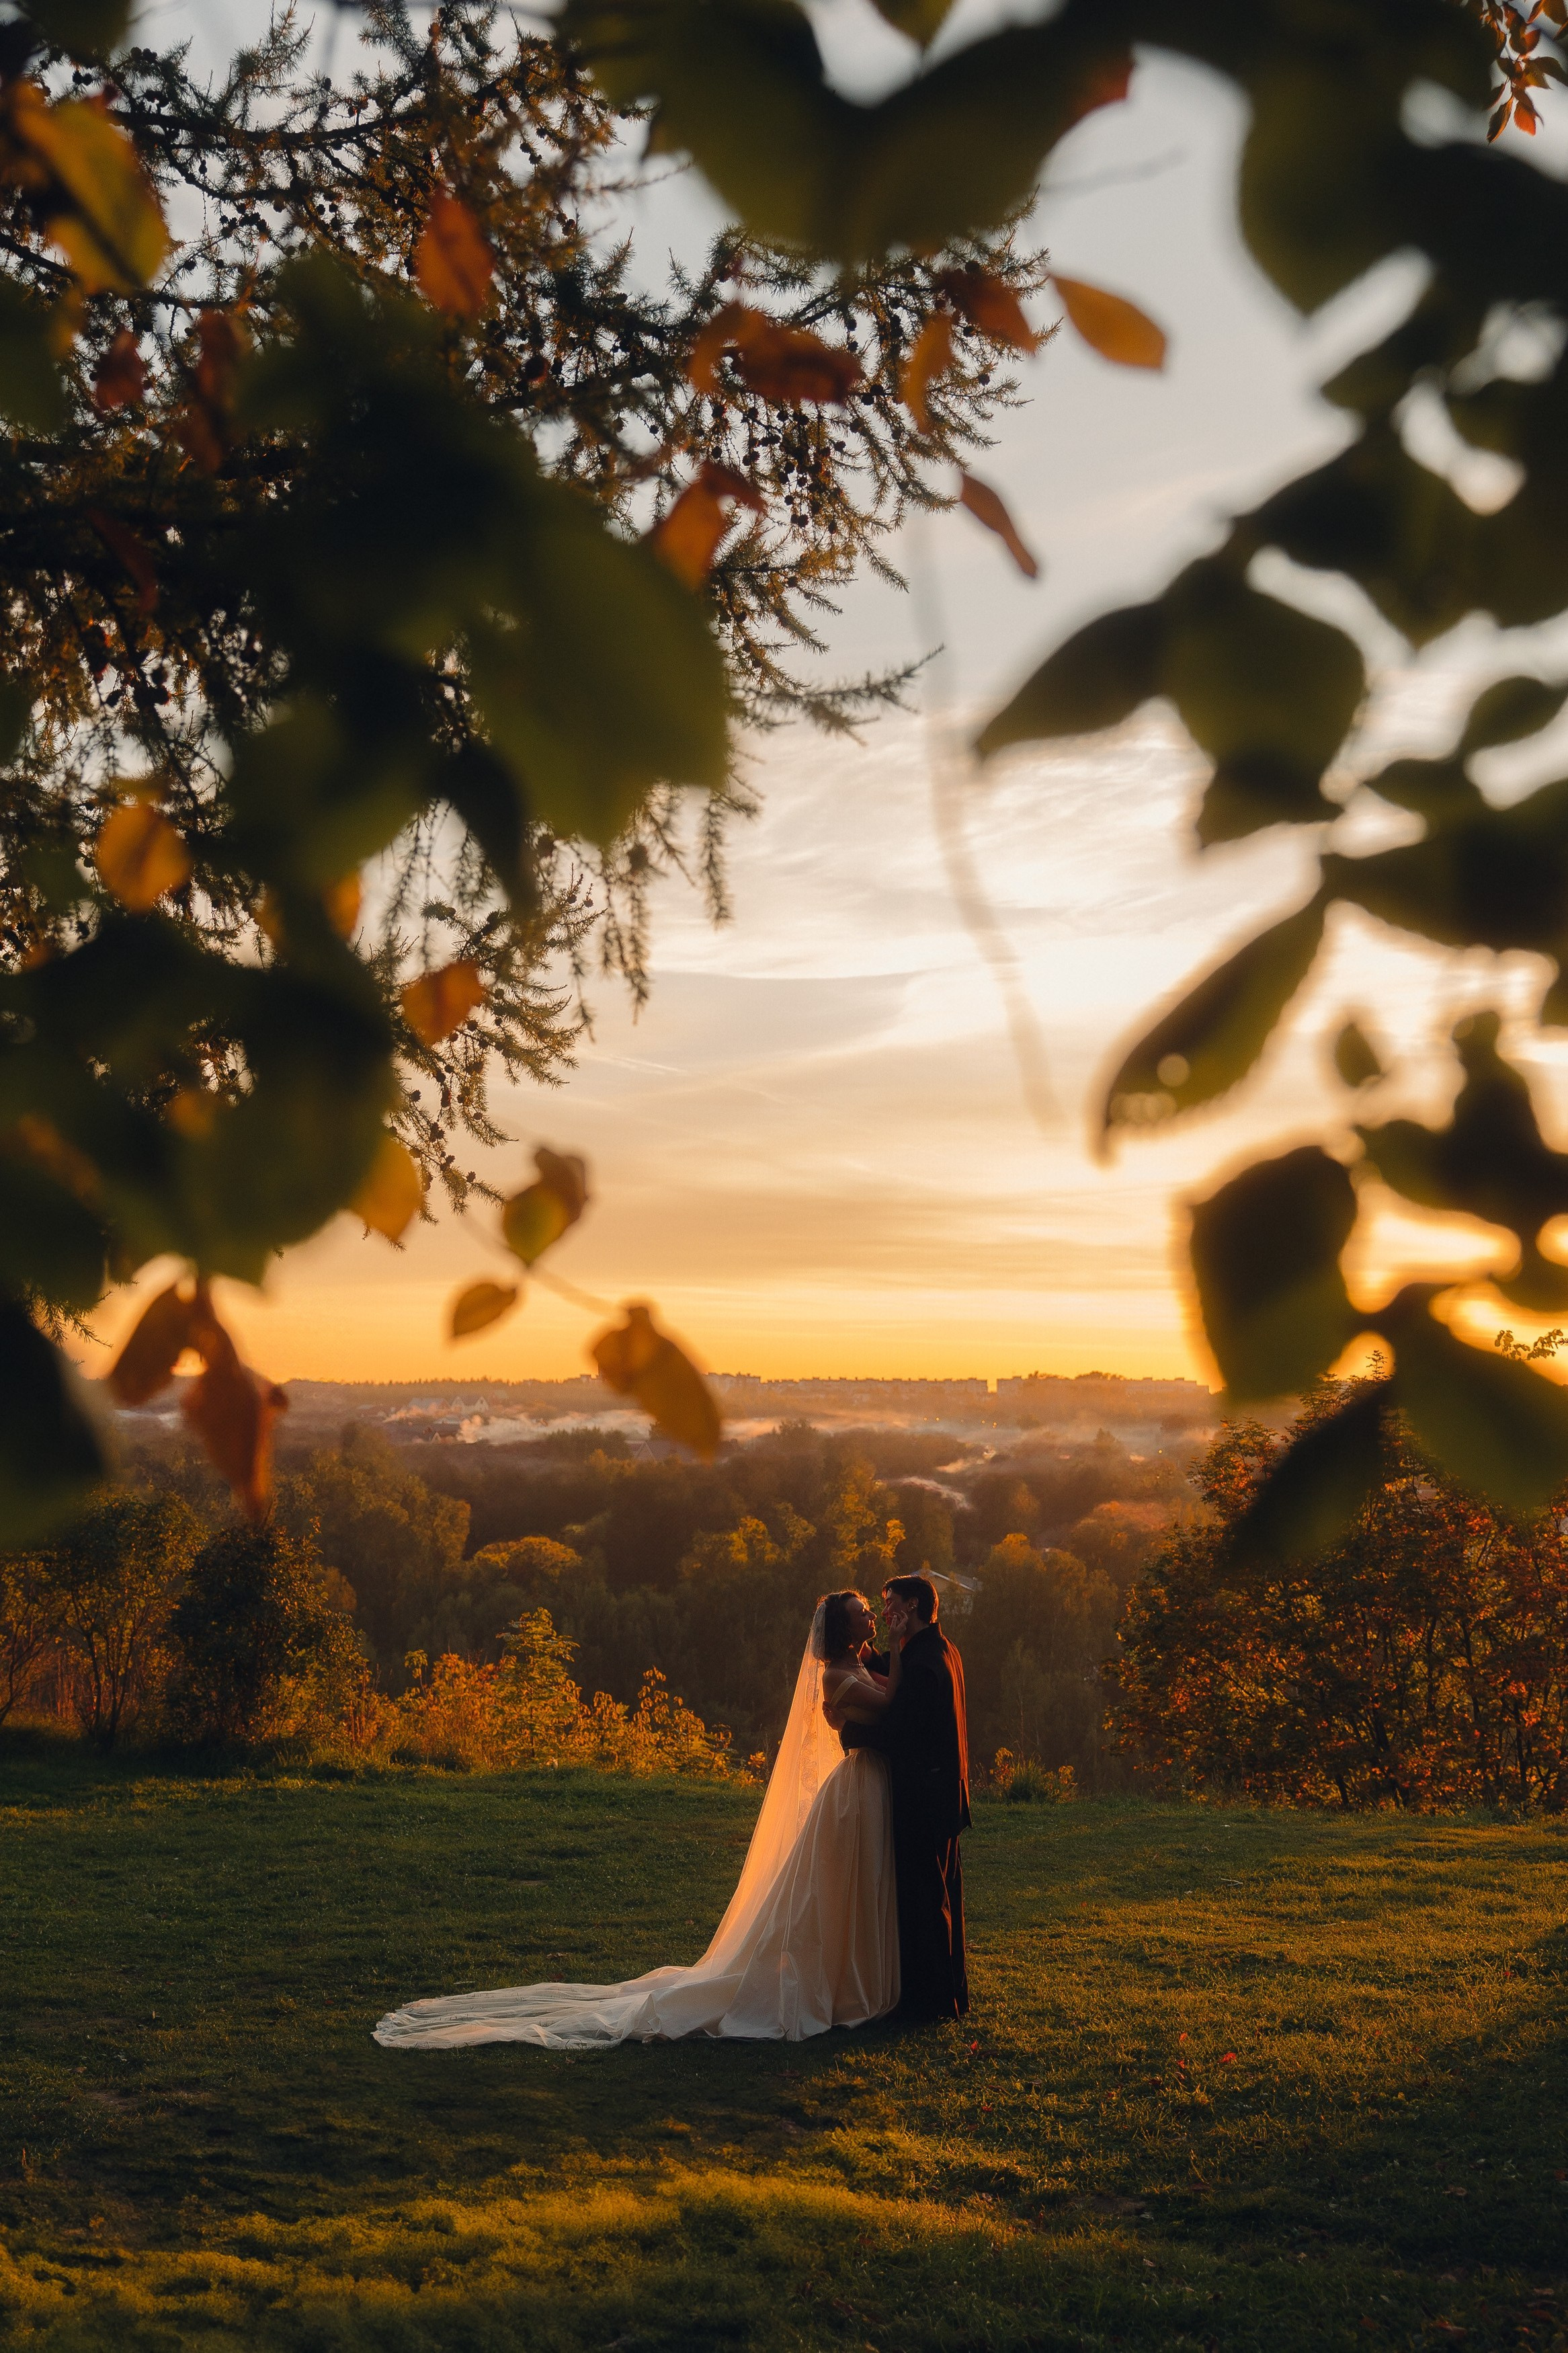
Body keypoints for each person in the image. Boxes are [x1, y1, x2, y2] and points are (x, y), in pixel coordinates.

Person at [373, 1590, 900, 2049]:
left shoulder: (854, 1663)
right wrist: (904, 1646)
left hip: (864, 1781)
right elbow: (891, 1701)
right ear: (841, 1627)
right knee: (830, 1886)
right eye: (862, 1614)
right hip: (852, 1788)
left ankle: (852, 1974)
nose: (871, 1618)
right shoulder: (836, 1674)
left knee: (847, 1884)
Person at [828, 1572, 969, 2023]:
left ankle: (930, 2006)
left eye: (889, 1605)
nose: (883, 1611)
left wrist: (851, 1730)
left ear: (910, 1607)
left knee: (926, 1902)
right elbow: (890, 1667)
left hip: (925, 1798)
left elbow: (902, 1732)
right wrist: (865, 1651)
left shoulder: (925, 1665)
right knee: (939, 1897)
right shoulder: (934, 1649)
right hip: (940, 1795)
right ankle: (947, 1996)